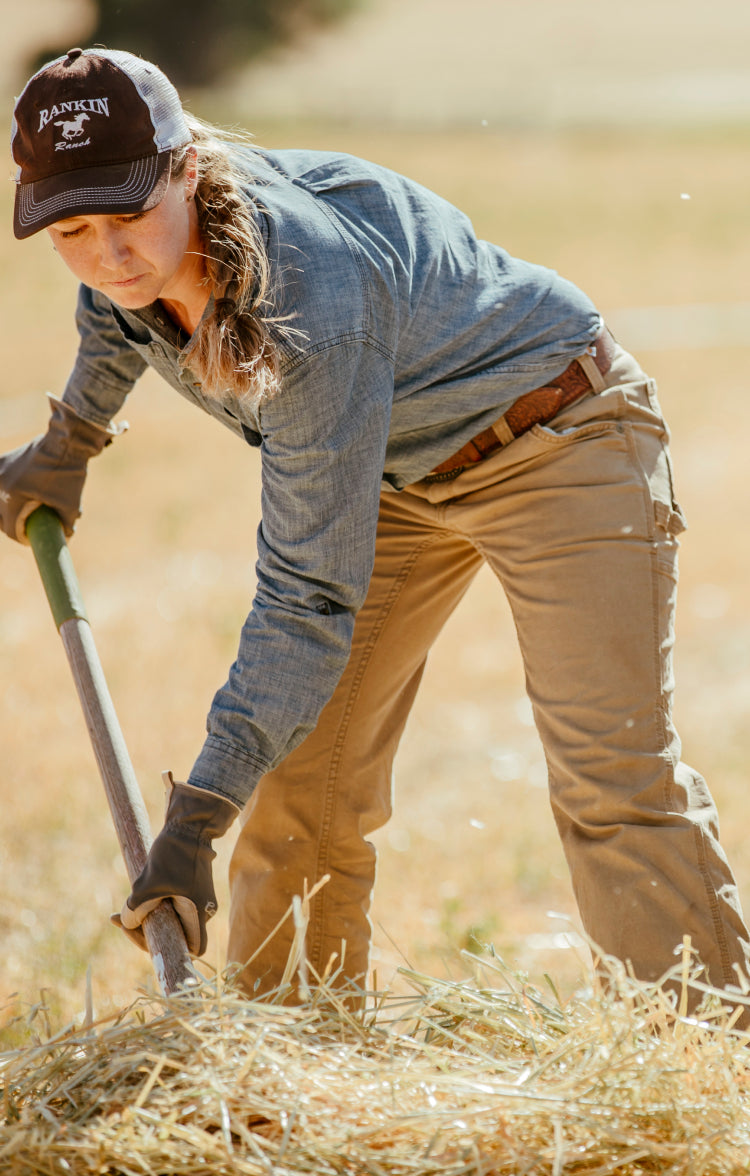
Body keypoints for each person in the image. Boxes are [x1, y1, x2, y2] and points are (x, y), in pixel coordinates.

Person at [3, 46, 749, 1011]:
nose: (109, 254)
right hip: (396, 465)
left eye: (129, 215)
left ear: (187, 167)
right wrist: (72, 438)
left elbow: (307, 598)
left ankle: (699, 1065)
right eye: (73, 226)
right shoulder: (135, 259)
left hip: (555, 434)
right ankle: (291, 1074)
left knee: (612, 781)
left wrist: (194, 818)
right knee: (301, 788)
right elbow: (118, 308)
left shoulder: (308, 299)